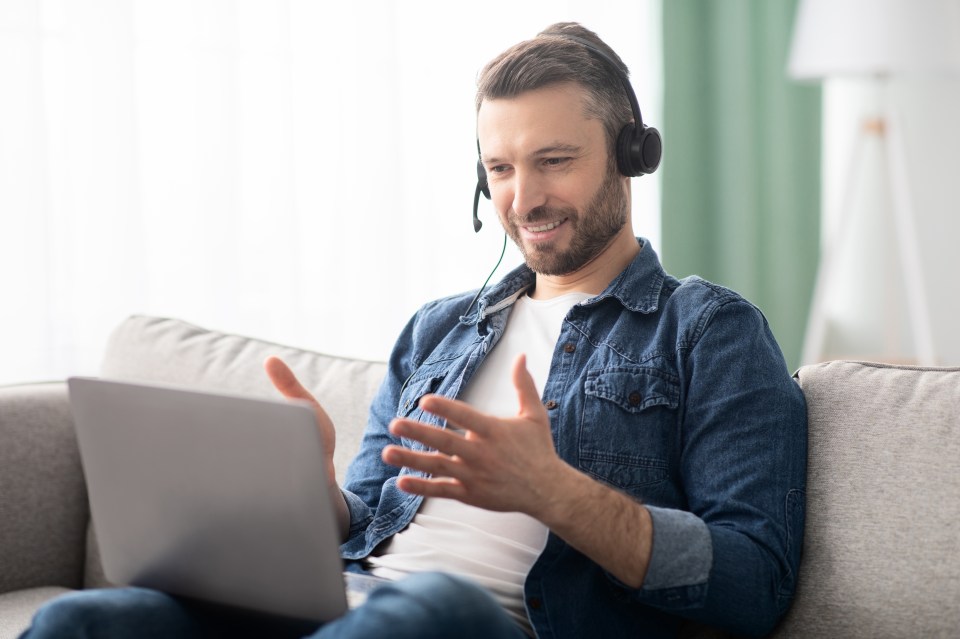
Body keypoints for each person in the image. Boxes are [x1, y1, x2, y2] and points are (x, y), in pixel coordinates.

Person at [20, 22, 806, 639]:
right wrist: (309, 495)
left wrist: (555, 493)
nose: (524, 198)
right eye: (499, 169)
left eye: (554, 161)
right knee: (82, 618)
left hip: (483, 622)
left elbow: (755, 580)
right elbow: (364, 520)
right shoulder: (440, 328)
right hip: (348, 603)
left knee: (429, 609)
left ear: (632, 152)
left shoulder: (706, 330)